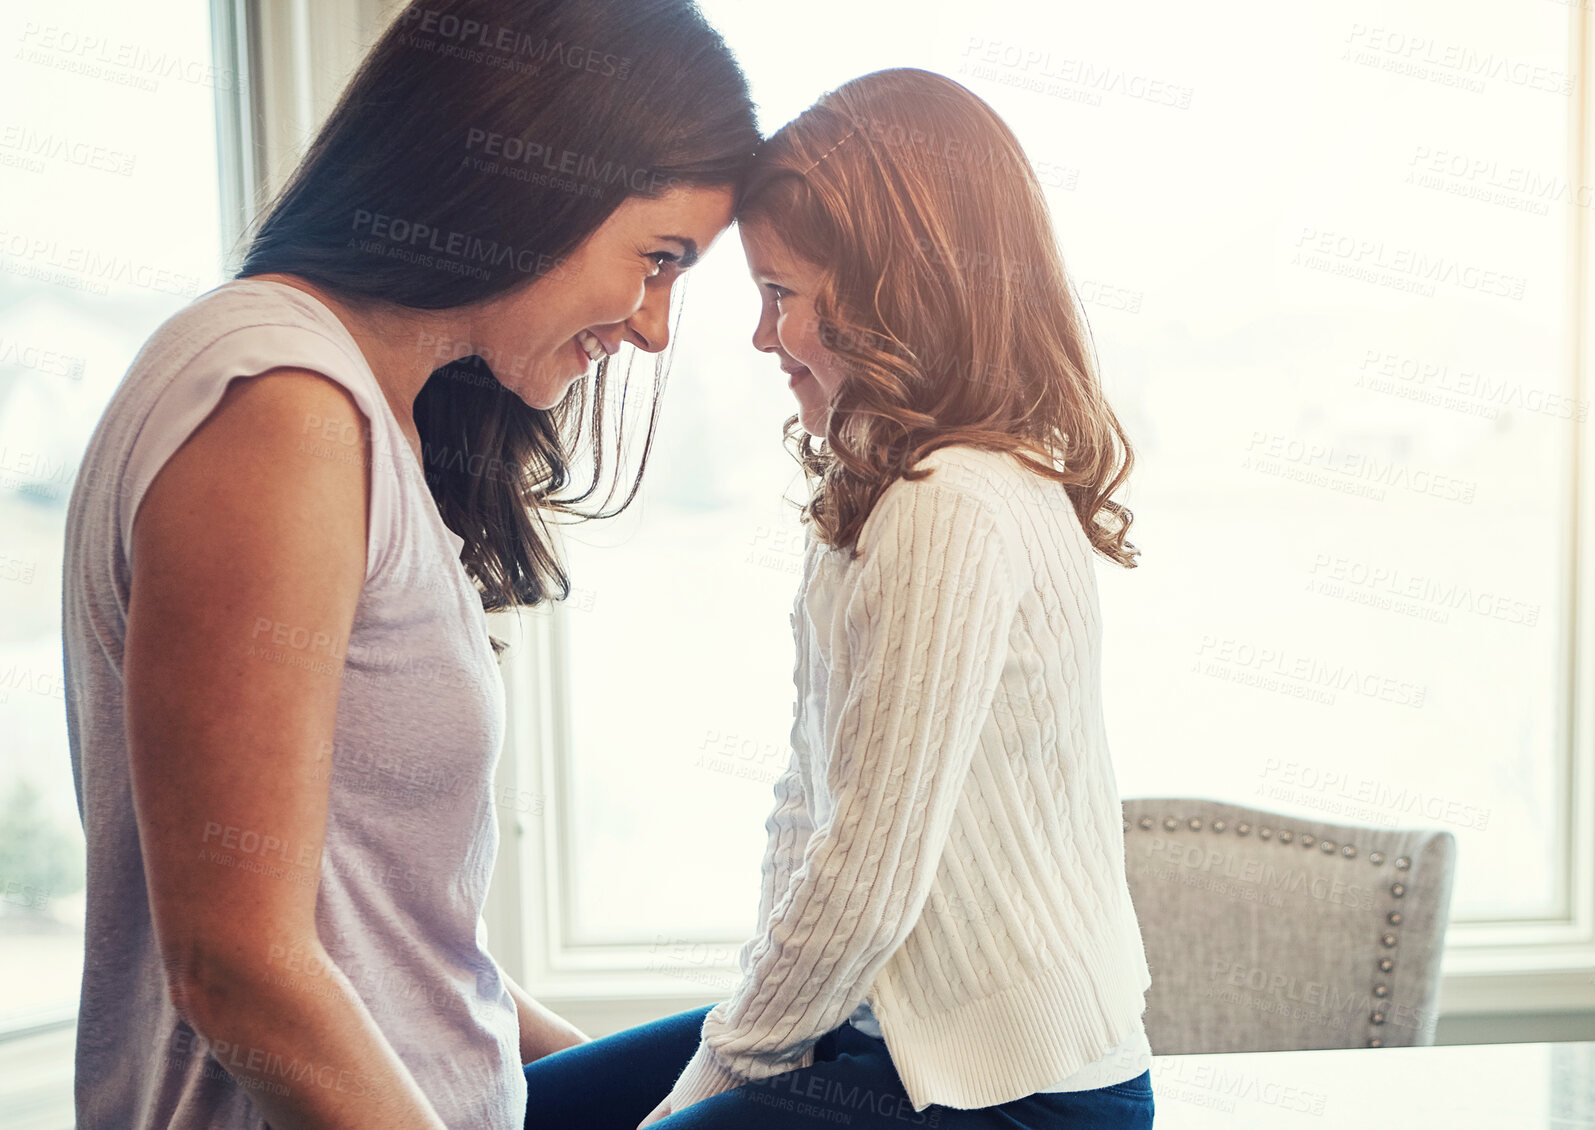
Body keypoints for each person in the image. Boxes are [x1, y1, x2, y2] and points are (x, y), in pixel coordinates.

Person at [59, 2, 757, 1126]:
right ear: (538, 182)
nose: (654, 326)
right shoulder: (281, 407)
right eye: (658, 261)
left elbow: (405, 947)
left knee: (815, 1050)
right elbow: (236, 963)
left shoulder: (377, 414)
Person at [522, 67, 1155, 1130]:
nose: (763, 338)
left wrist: (713, 1079)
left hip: (1008, 1089)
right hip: (881, 1043)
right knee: (524, 1109)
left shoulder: (949, 500)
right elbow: (809, 808)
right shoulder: (886, 486)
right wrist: (738, 1041)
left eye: (781, 296)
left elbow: (864, 874)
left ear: (893, 296)